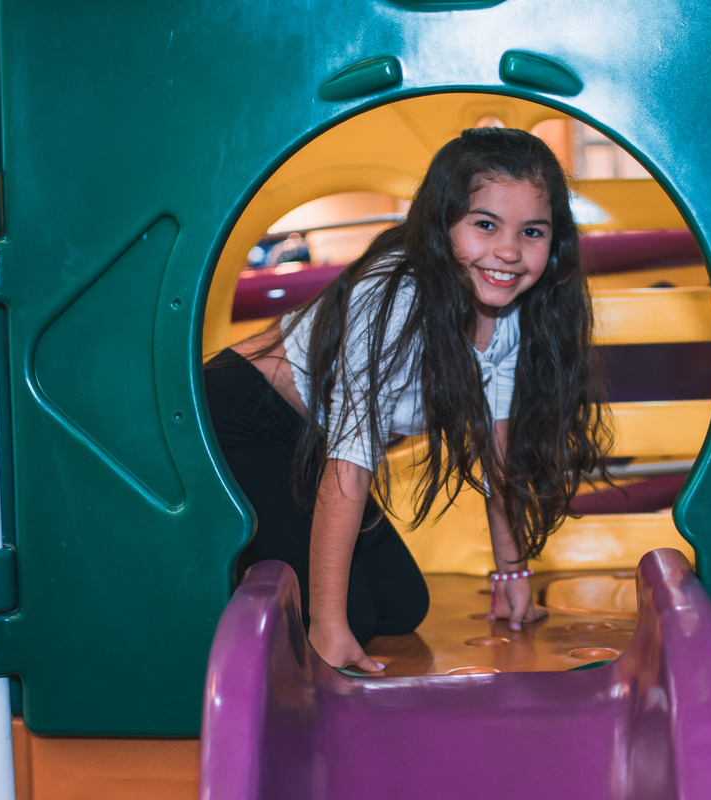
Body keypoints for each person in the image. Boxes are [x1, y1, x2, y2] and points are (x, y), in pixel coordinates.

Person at [205, 127, 610, 672]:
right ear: (442, 226)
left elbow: (499, 456)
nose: (509, 251)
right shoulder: (393, 297)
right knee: (347, 617)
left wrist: (512, 572)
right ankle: (224, 588)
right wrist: (327, 626)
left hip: (313, 438)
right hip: (240, 413)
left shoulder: (510, 314)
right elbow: (350, 463)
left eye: (532, 231)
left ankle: (281, 562)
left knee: (401, 605)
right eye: (485, 224)